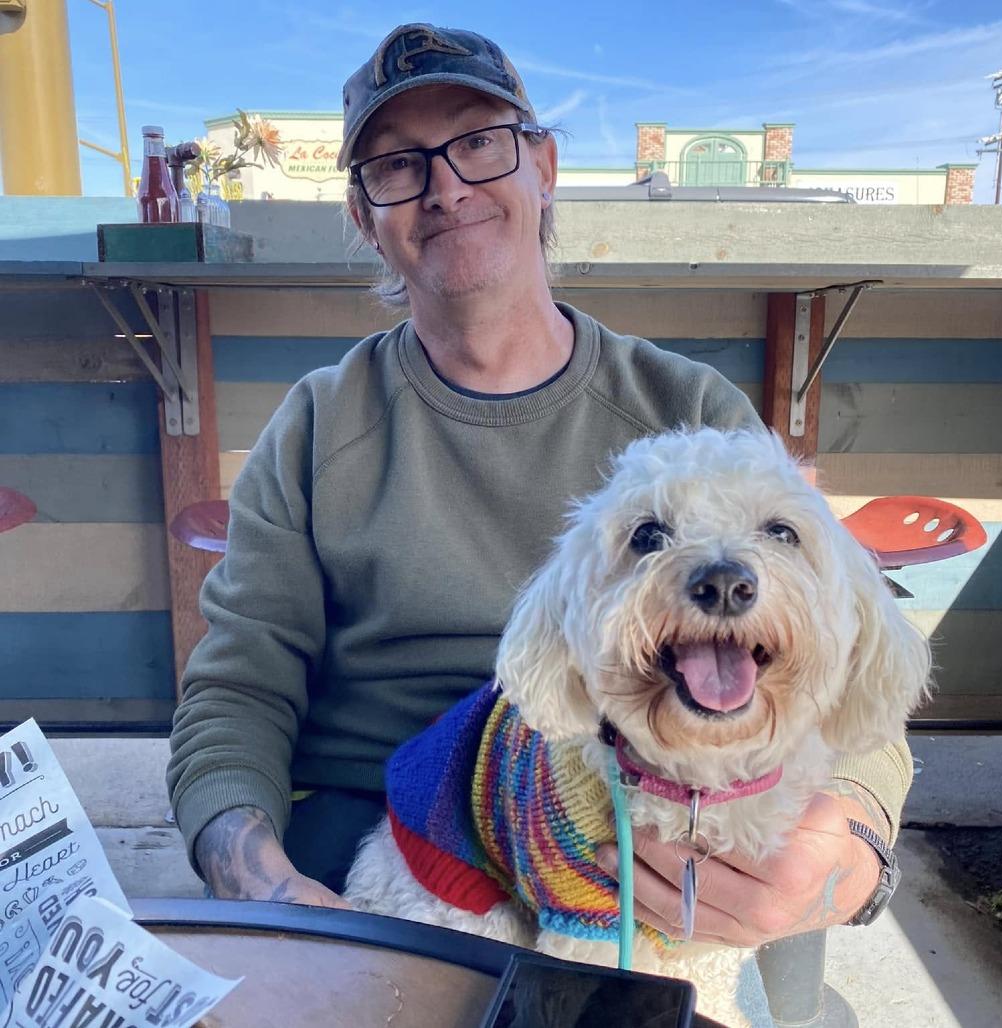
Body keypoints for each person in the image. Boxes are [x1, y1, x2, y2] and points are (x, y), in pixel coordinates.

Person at [167, 23, 909, 958]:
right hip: (376, 809)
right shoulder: (317, 423)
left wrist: (852, 842)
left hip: (663, 786)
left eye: (479, 141)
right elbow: (237, 684)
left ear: (543, 166)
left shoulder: (690, 411)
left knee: (765, 953)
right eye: (398, 165)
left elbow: (845, 633)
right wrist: (261, 879)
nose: (447, 186)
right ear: (363, 215)